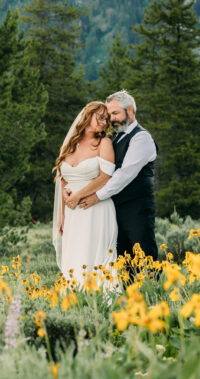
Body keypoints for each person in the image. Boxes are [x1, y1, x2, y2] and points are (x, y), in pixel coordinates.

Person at [75, 90, 158, 272]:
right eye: (109, 115)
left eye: (115, 113)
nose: (111, 119)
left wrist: (96, 196)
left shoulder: (141, 138)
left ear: (129, 111)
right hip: (115, 209)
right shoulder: (115, 137)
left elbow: (124, 175)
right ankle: (130, 297)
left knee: (145, 257)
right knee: (123, 261)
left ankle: (155, 296)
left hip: (137, 210)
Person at [52, 100, 118, 288]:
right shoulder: (70, 144)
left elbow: (106, 177)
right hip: (72, 212)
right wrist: (62, 216)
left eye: (107, 119)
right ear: (87, 116)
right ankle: (76, 300)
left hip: (95, 207)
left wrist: (77, 196)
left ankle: (102, 303)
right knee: (75, 254)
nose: (104, 122)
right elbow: (63, 179)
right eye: (100, 117)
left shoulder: (103, 143)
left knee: (94, 256)